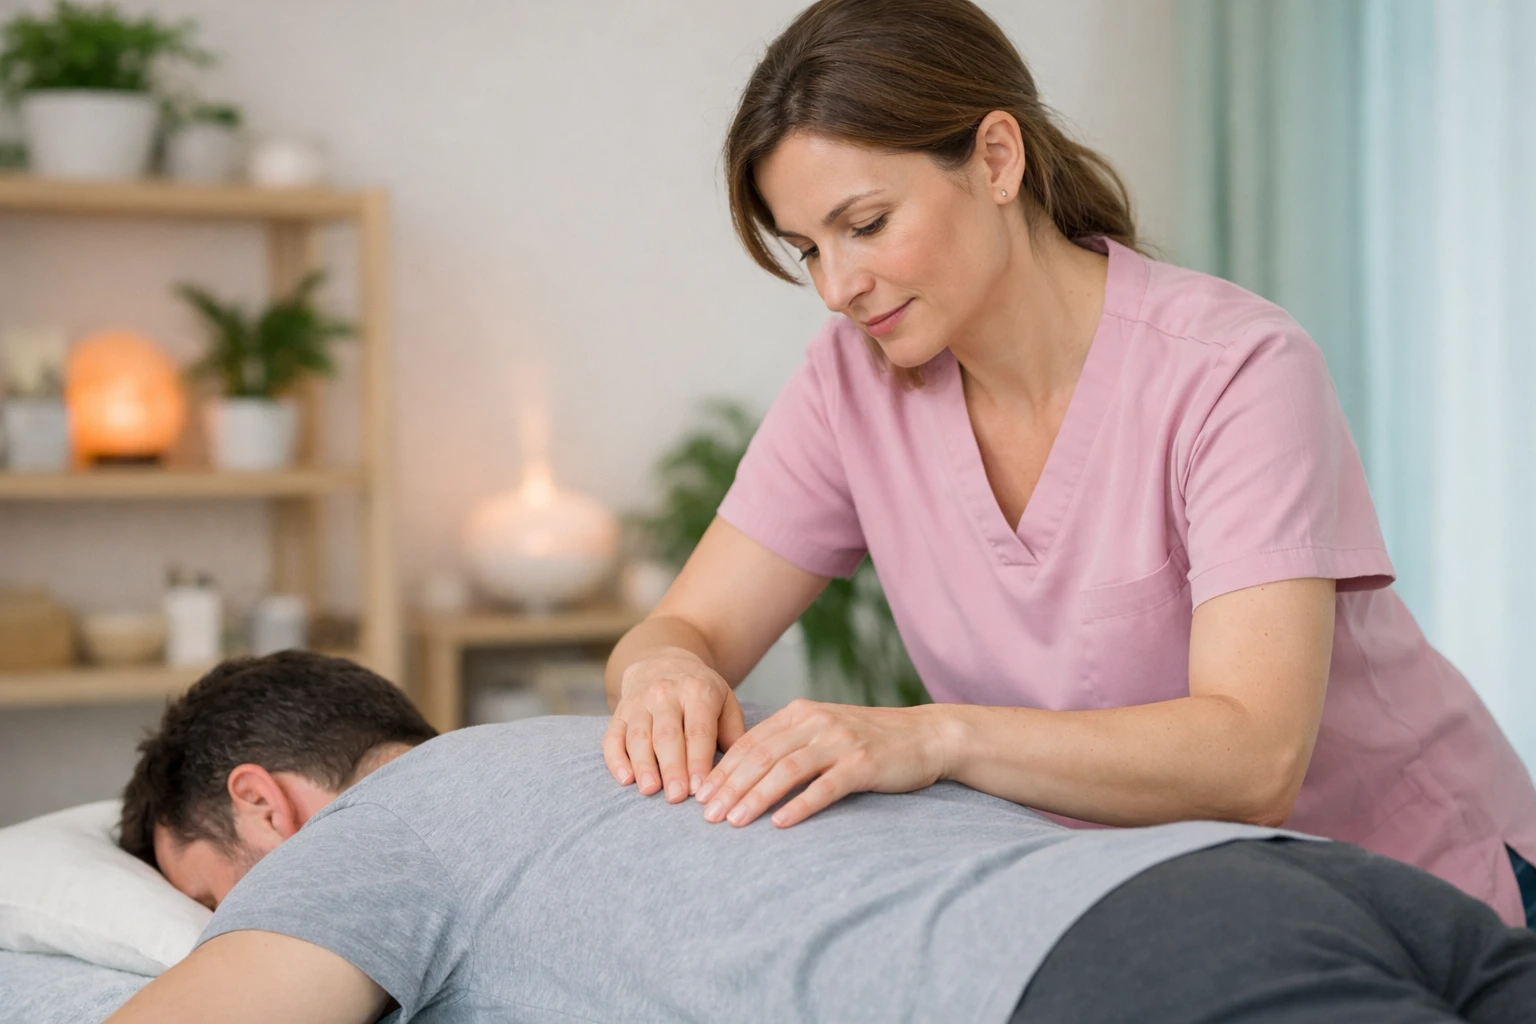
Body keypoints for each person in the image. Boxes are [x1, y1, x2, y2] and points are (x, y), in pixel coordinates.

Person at [599, 0, 1536, 928]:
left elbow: (1254, 762)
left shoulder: (1236, 370)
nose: (838, 288)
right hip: (1159, 905)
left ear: (997, 158)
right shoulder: (853, 384)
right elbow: (685, 625)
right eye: (808, 249)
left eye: (869, 224)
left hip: (1415, 888)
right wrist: (663, 675)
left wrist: (932, 735)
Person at [108, 651, 1536, 1024]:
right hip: (1304, 888)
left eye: (211, 900)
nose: (219, 928)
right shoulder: (619, 763)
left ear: (263, 807)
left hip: (1121, 975)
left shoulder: (382, 829)